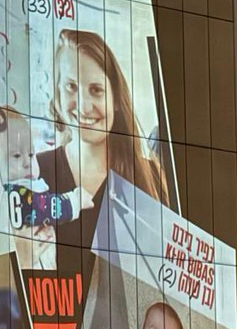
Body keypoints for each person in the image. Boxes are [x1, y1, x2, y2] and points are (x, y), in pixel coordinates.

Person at [37, 28, 170, 255]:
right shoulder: (33, 172)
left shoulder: (152, 178)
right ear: (57, 92)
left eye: (96, 90)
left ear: (116, 99)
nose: (84, 106)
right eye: (71, 86)